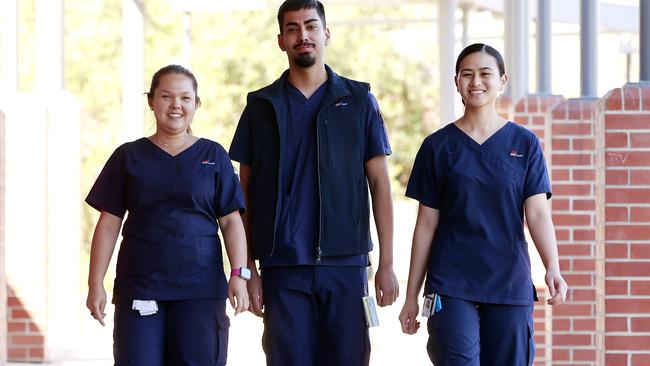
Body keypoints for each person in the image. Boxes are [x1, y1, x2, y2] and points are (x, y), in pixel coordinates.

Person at [229, 1, 399, 365]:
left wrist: (386, 262)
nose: (302, 35)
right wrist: (251, 272)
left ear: (326, 33)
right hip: (282, 266)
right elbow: (242, 195)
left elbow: (380, 184)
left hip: (345, 264)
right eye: (292, 28)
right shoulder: (260, 107)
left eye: (310, 26)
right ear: (281, 40)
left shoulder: (358, 101)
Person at [398, 43, 568, 366]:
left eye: (485, 73)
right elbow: (425, 225)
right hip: (451, 284)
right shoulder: (437, 147)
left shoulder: (524, 144)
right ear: (457, 82)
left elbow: (537, 213)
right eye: (467, 74)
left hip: (508, 282)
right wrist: (410, 296)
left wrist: (553, 267)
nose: (476, 81)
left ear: (502, 81)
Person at [85, 64, 249, 366]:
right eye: (166, 96)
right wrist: (96, 283)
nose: (176, 105)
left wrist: (239, 274)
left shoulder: (214, 156)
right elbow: (108, 224)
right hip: (140, 286)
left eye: (186, 98)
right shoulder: (128, 157)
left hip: (200, 290)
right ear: (151, 101)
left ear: (196, 104)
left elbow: (231, 221)